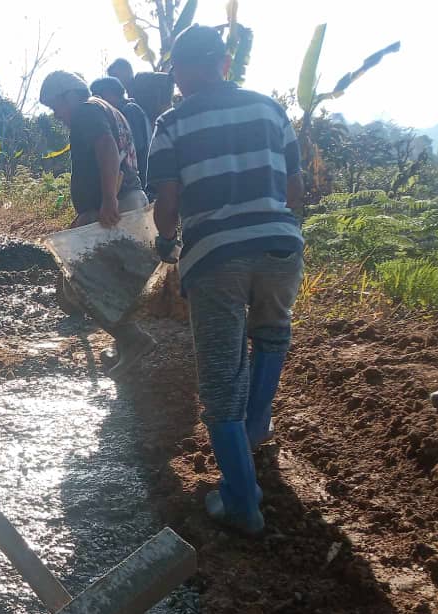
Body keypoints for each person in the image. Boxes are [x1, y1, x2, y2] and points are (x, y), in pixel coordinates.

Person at [148, 25, 305, 536]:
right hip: (282, 245)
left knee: (219, 380)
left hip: (217, 255)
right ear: (224, 61)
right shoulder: (270, 108)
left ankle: (241, 498)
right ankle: (258, 424)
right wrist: (276, 225)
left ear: (186, 68)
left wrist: (167, 244)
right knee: (272, 332)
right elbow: (296, 186)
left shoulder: (172, 122)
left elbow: (167, 204)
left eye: (175, 70)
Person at [39, 70, 155, 376]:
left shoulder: (87, 112)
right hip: (124, 200)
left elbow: (106, 148)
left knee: (83, 285)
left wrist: (108, 200)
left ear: (69, 96)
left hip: (116, 204)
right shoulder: (106, 108)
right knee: (117, 280)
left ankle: (132, 340)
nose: (58, 116)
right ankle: (124, 345)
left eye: (55, 107)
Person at [91, 76, 151, 190]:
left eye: (98, 95)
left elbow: (133, 147)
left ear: (109, 93)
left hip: (138, 184)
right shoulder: (123, 111)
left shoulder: (129, 110)